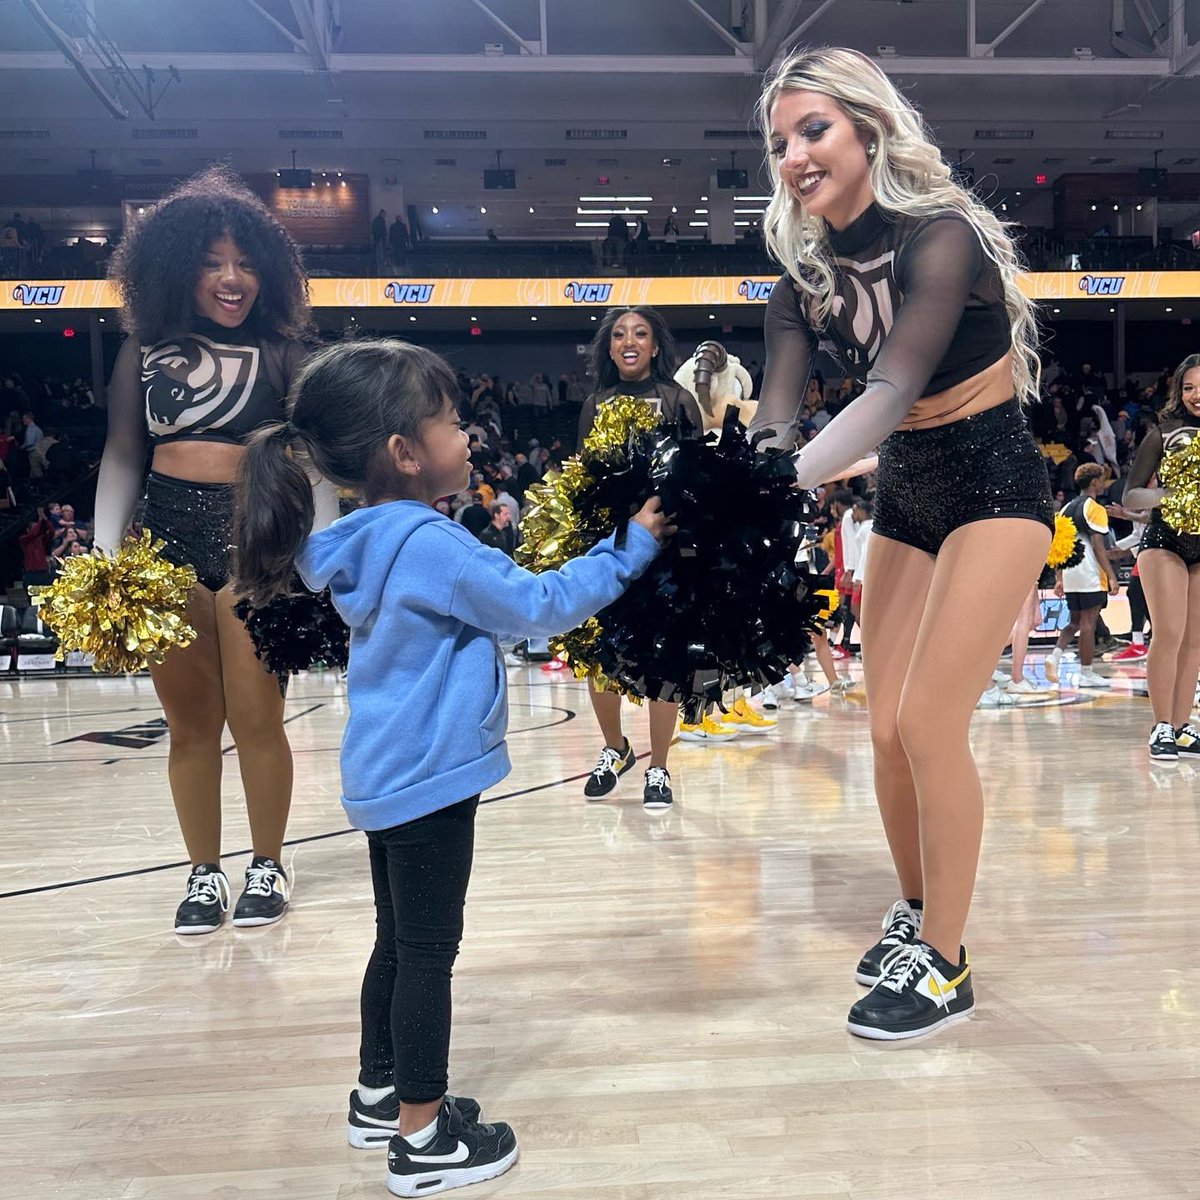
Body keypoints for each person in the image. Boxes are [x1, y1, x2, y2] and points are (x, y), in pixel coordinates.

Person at [230, 338, 672, 1196]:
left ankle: (377, 1092)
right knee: (430, 954)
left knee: (396, 943)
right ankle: (422, 1138)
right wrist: (632, 547)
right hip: (431, 779)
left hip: (383, 776)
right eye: (450, 420)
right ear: (403, 452)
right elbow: (537, 606)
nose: (467, 435)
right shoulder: (431, 544)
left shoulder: (358, 540)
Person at [750, 47, 1053, 1040]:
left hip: (995, 480)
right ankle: (922, 914)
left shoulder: (941, 235)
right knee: (882, 731)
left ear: (867, 132)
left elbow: (892, 388)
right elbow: (779, 416)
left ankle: (949, 968)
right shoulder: (798, 281)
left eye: (814, 130)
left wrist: (782, 482)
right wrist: (745, 475)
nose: (795, 154)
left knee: (928, 723)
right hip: (909, 492)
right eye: (780, 140)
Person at [94, 166, 338, 935]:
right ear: (174, 269)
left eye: (244, 262)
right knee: (190, 724)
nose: (231, 279)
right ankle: (203, 873)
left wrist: (324, 553)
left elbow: (313, 460)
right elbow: (124, 453)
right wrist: (108, 556)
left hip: (256, 540)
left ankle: (268, 860)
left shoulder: (284, 352)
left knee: (258, 716)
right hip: (163, 542)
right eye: (211, 263)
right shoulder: (141, 350)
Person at [577, 307, 704, 810]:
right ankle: (615, 747)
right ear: (609, 349)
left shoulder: (679, 399)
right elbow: (584, 479)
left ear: (655, 346)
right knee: (595, 651)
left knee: (665, 658)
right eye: (619, 335)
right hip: (610, 544)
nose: (630, 341)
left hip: (667, 549)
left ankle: (659, 768)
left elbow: (697, 474)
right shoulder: (593, 404)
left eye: (641, 333)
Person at [1123, 353, 1200, 761]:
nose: (1195, 395)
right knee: (1168, 634)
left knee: (1194, 641)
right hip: (1164, 539)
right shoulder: (1163, 432)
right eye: (1188, 387)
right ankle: (1161, 727)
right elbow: (1131, 494)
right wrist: (1176, 496)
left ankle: (1184, 725)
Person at [1046, 464, 1121, 690]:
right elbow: (1098, 547)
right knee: (1089, 622)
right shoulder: (1095, 508)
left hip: (1070, 571)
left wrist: (1059, 577)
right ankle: (1086, 672)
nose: (1103, 483)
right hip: (1089, 571)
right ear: (1094, 483)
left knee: (1076, 621)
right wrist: (1112, 576)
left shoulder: (1066, 507)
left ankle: (1055, 656)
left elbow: (1058, 545)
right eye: (1101, 479)